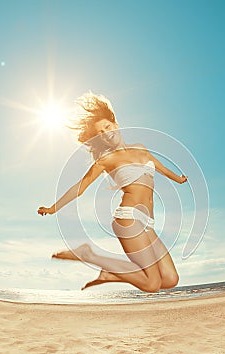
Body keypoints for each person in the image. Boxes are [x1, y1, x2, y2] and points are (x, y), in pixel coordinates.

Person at [37, 92, 187, 292]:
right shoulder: (106, 160)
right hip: (128, 219)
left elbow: (161, 168)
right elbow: (81, 187)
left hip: (148, 223)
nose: (106, 133)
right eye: (101, 133)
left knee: (170, 279)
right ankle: (90, 255)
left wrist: (179, 179)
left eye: (107, 127)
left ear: (115, 124)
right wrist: (53, 208)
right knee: (152, 284)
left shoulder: (140, 149)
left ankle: (110, 273)